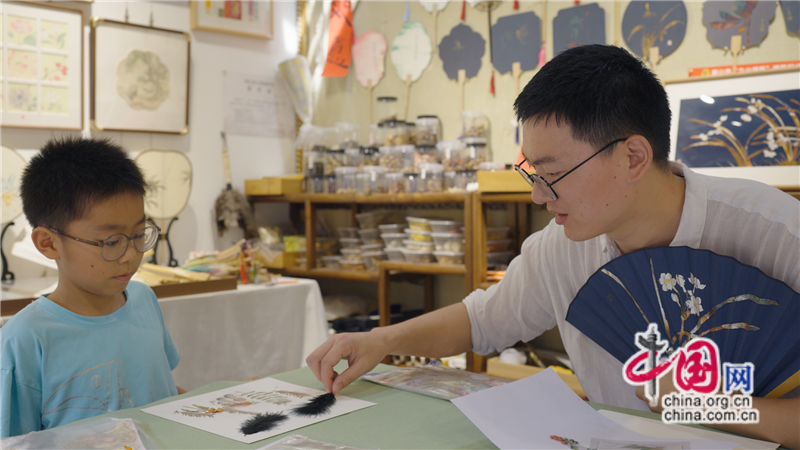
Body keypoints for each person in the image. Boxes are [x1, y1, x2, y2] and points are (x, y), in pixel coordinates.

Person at [307, 45, 800, 448]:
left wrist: (709, 404)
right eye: (532, 173)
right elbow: (481, 321)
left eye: (553, 174)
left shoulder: (773, 233)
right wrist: (381, 340)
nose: (538, 196)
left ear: (633, 156)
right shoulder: (562, 246)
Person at [1, 137, 184, 437]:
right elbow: (14, 441)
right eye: (111, 242)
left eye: (140, 234)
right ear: (49, 243)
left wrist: (222, 401)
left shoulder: (143, 298)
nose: (131, 255)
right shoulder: (25, 338)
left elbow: (161, 393)